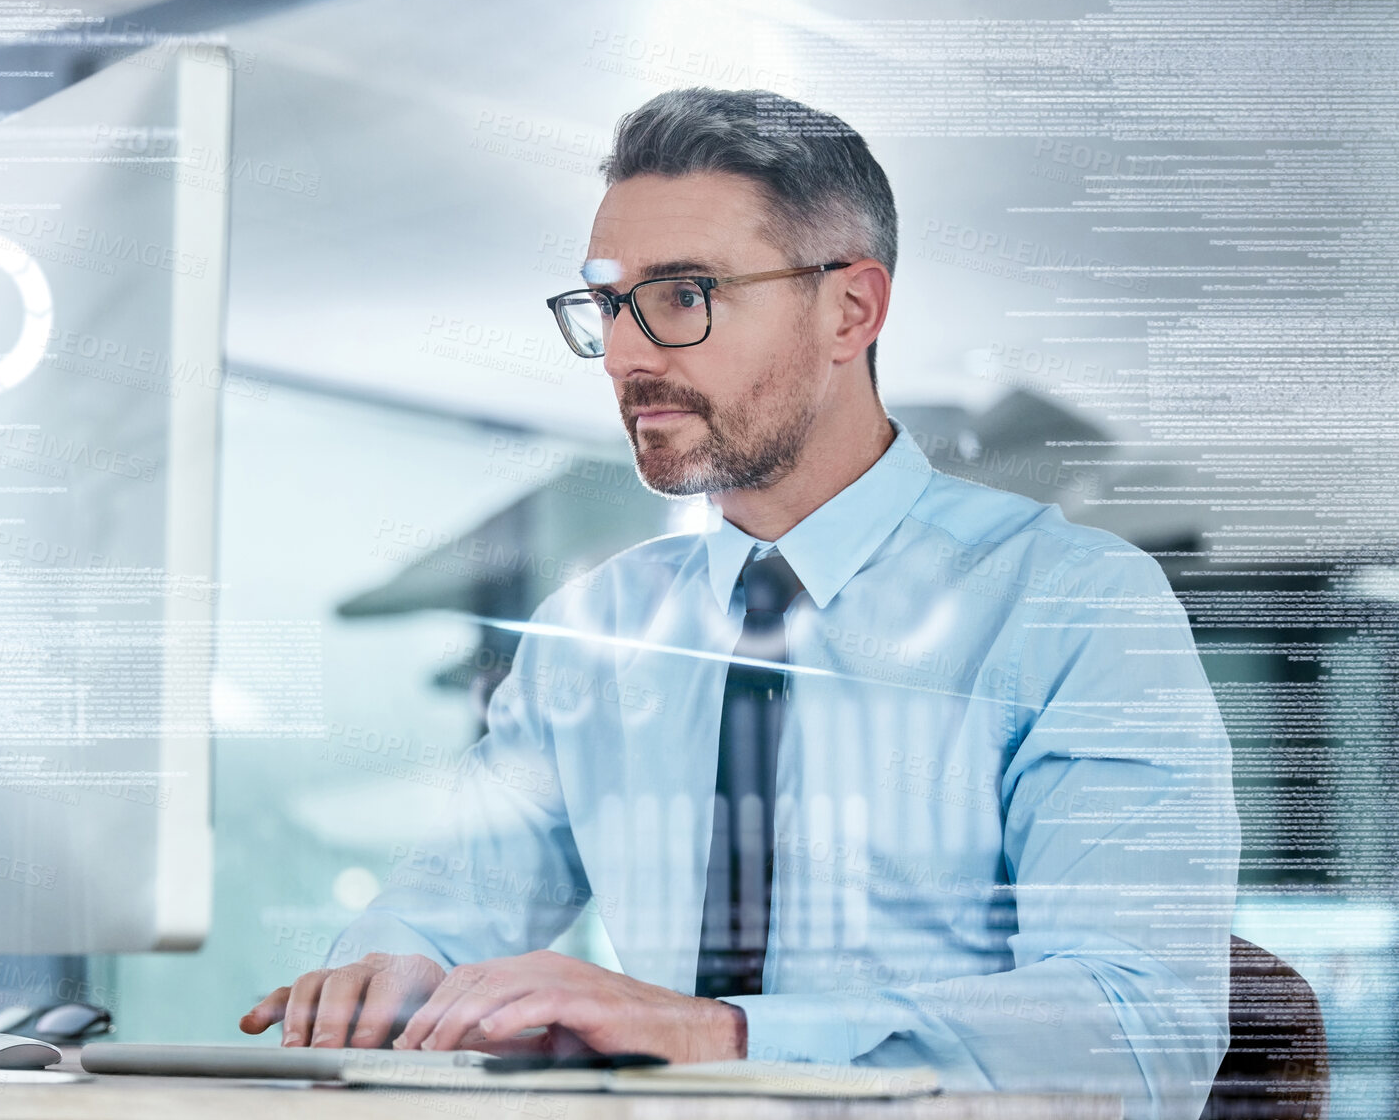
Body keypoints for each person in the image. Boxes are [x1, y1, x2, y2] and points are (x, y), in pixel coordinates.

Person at [241, 87, 1240, 1119]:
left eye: (682, 295)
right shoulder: (592, 637)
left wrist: (724, 1035)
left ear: (849, 308)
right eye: (609, 304)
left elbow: (1137, 1028)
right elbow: (454, 903)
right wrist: (383, 972)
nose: (627, 354)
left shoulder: (1072, 604)